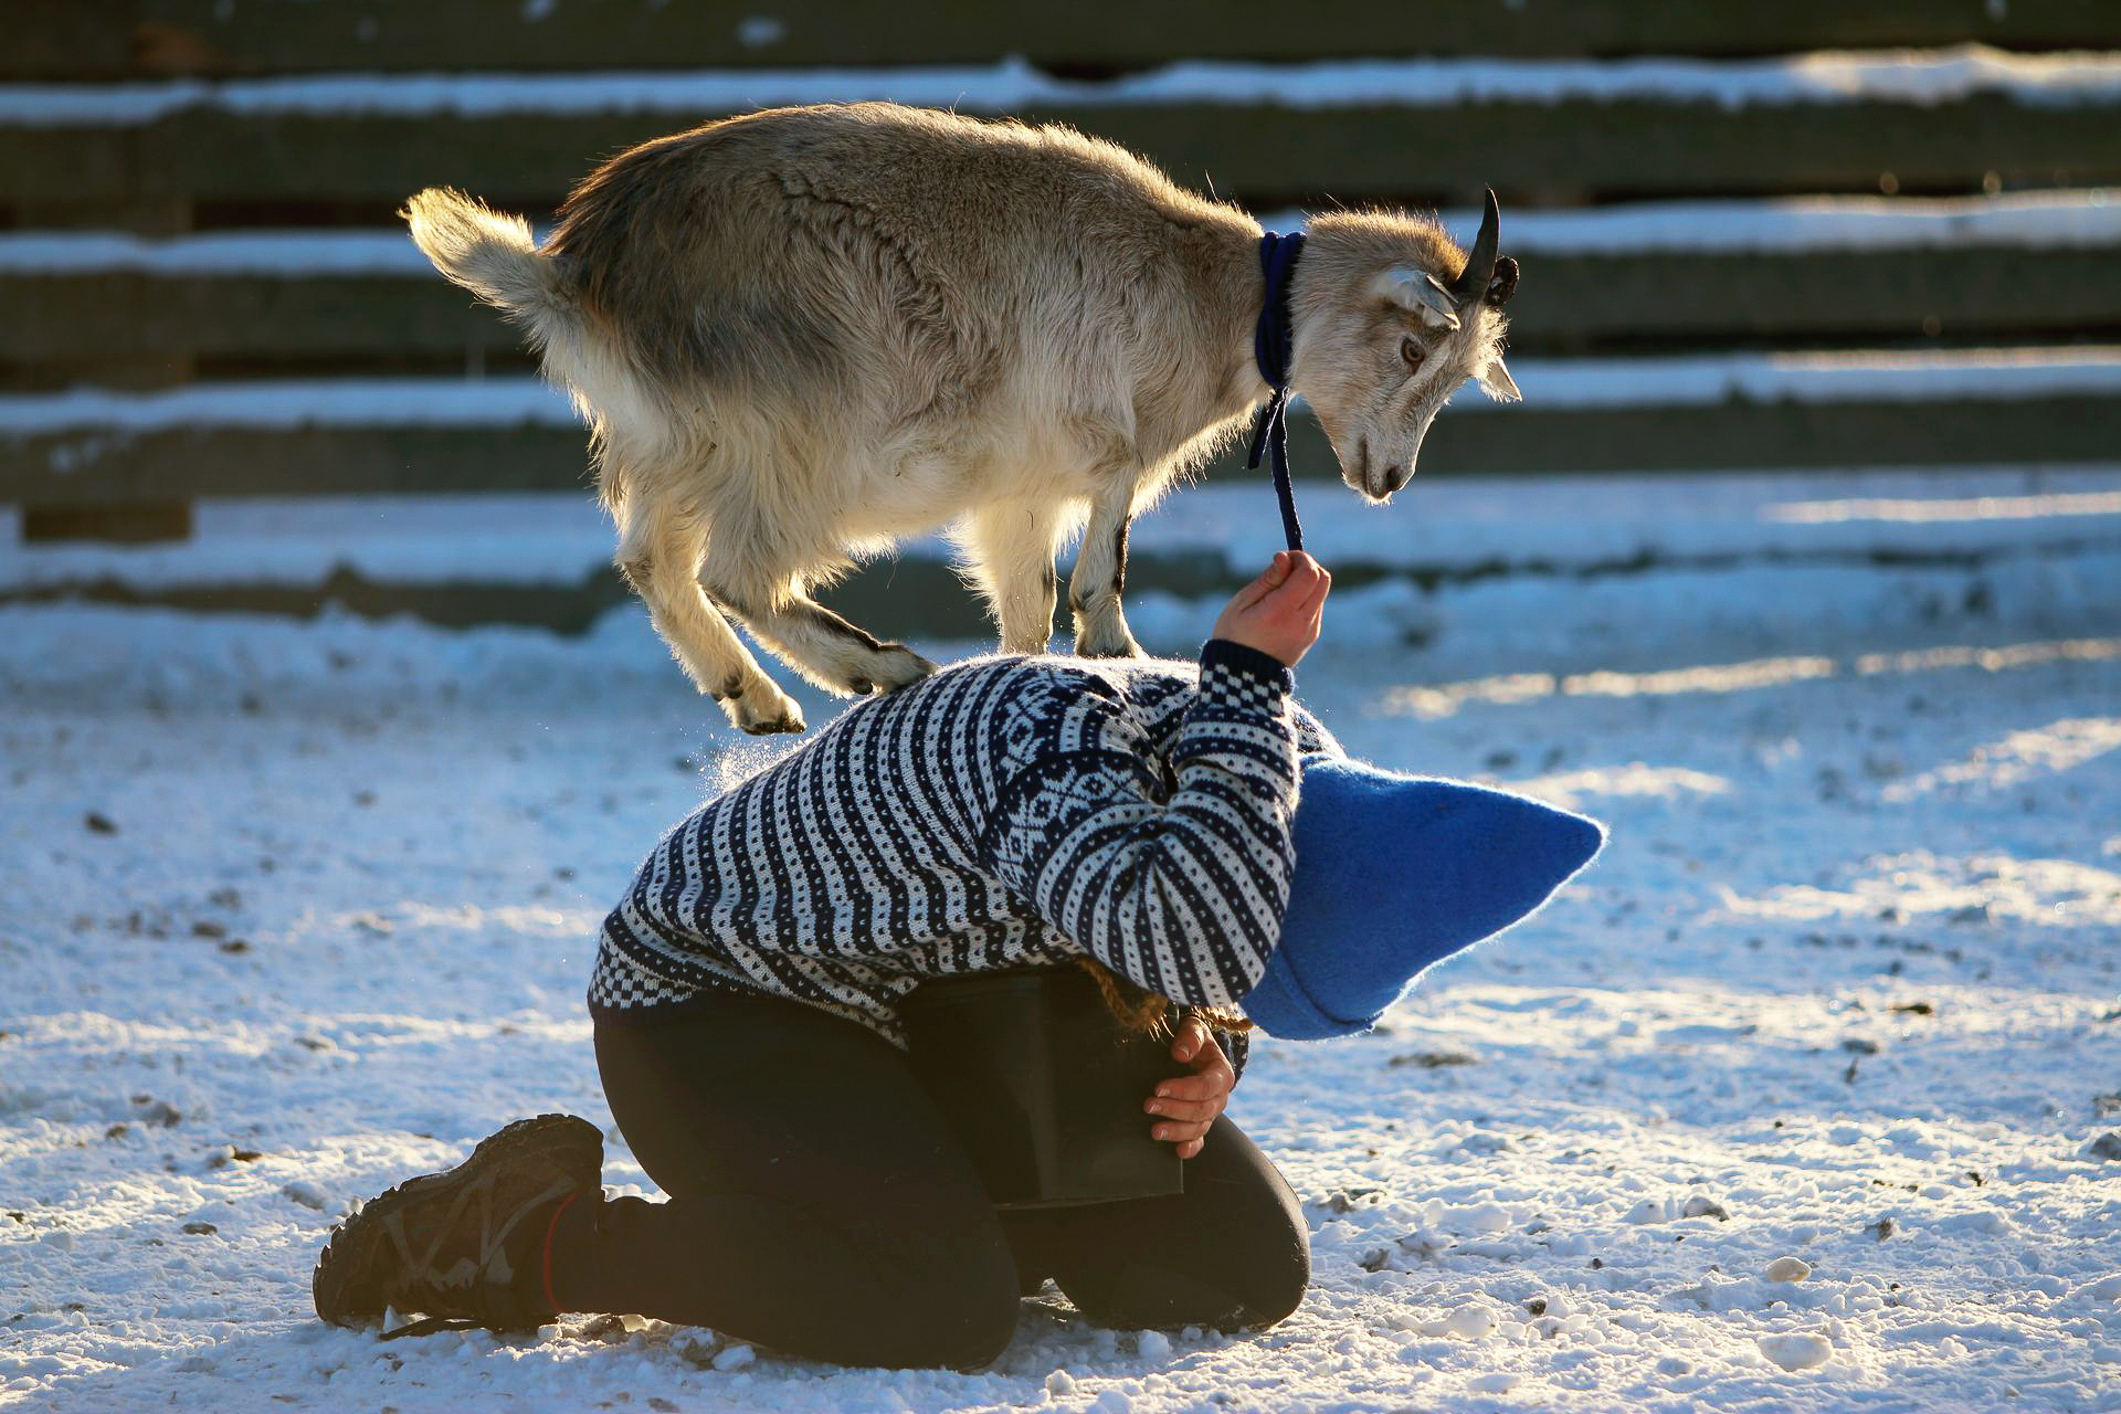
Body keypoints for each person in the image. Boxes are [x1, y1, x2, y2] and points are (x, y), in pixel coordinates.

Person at [309, 548, 1605, 1371]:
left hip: (939, 1012)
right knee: (935, 1311)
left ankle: (909, 1206)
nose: (1225, 989)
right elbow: (1188, 926)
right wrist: (1245, 674)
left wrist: (1213, 1051)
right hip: (717, 1012)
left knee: (1233, 1272)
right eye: (1238, 974)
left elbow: (1206, 938)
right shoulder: (1063, 756)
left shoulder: (1260, 760)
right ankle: (523, 1234)